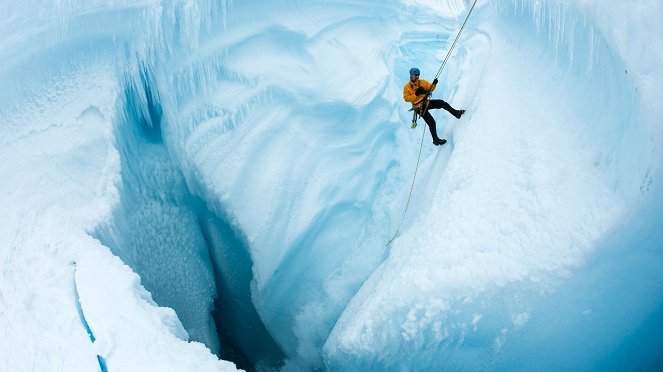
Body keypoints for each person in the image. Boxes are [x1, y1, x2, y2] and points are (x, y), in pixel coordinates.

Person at [403, 67, 465, 145]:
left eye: (412, 75)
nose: (411, 76)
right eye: (410, 74)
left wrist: (434, 84)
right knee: (431, 122)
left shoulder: (423, 82)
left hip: (425, 103)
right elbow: (406, 98)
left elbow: (430, 88)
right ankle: (435, 140)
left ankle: (456, 113)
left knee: (442, 103)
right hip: (419, 108)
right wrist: (416, 94)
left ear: (417, 76)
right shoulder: (407, 87)